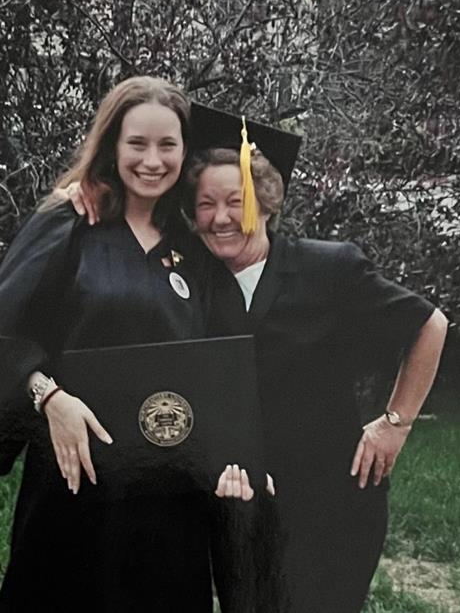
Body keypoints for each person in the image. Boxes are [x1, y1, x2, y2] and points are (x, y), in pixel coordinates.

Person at [62, 102, 448, 612]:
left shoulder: (326, 268)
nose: (221, 218)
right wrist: (86, 188)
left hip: (327, 501)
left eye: (236, 201)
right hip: (238, 506)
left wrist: (395, 423)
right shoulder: (190, 281)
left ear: (266, 202)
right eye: (205, 204)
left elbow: (429, 324)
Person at [0, 77, 266, 612]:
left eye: (167, 145)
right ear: (112, 146)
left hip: (167, 497)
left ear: (184, 152)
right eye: (136, 144)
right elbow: (8, 327)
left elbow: (224, 366)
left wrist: (237, 455)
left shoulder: (195, 252)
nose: (152, 160)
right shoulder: (70, 222)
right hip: (74, 483)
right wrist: (49, 397)